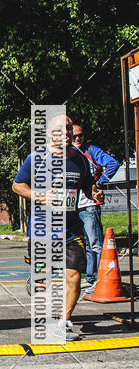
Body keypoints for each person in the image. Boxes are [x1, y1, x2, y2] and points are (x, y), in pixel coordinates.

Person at [13, 114, 103, 341]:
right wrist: (40, 196)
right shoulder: (36, 158)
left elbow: (88, 187)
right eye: (61, 130)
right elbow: (17, 186)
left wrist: (95, 192)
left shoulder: (81, 160)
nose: (67, 133)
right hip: (43, 229)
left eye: (69, 129)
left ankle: (64, 322)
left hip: (71, 229)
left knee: (74, 277)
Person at [71, 125, 120, 293]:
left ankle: (100, 279)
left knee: (96, 244)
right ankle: (90, 278)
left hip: (90, 204)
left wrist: (100, 182)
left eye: (80, 135)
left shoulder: (91, 151)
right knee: (87, 245)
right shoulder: (69, 153)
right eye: (74, 136)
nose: (78, 139)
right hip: (75, 206)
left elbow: (113, 164)